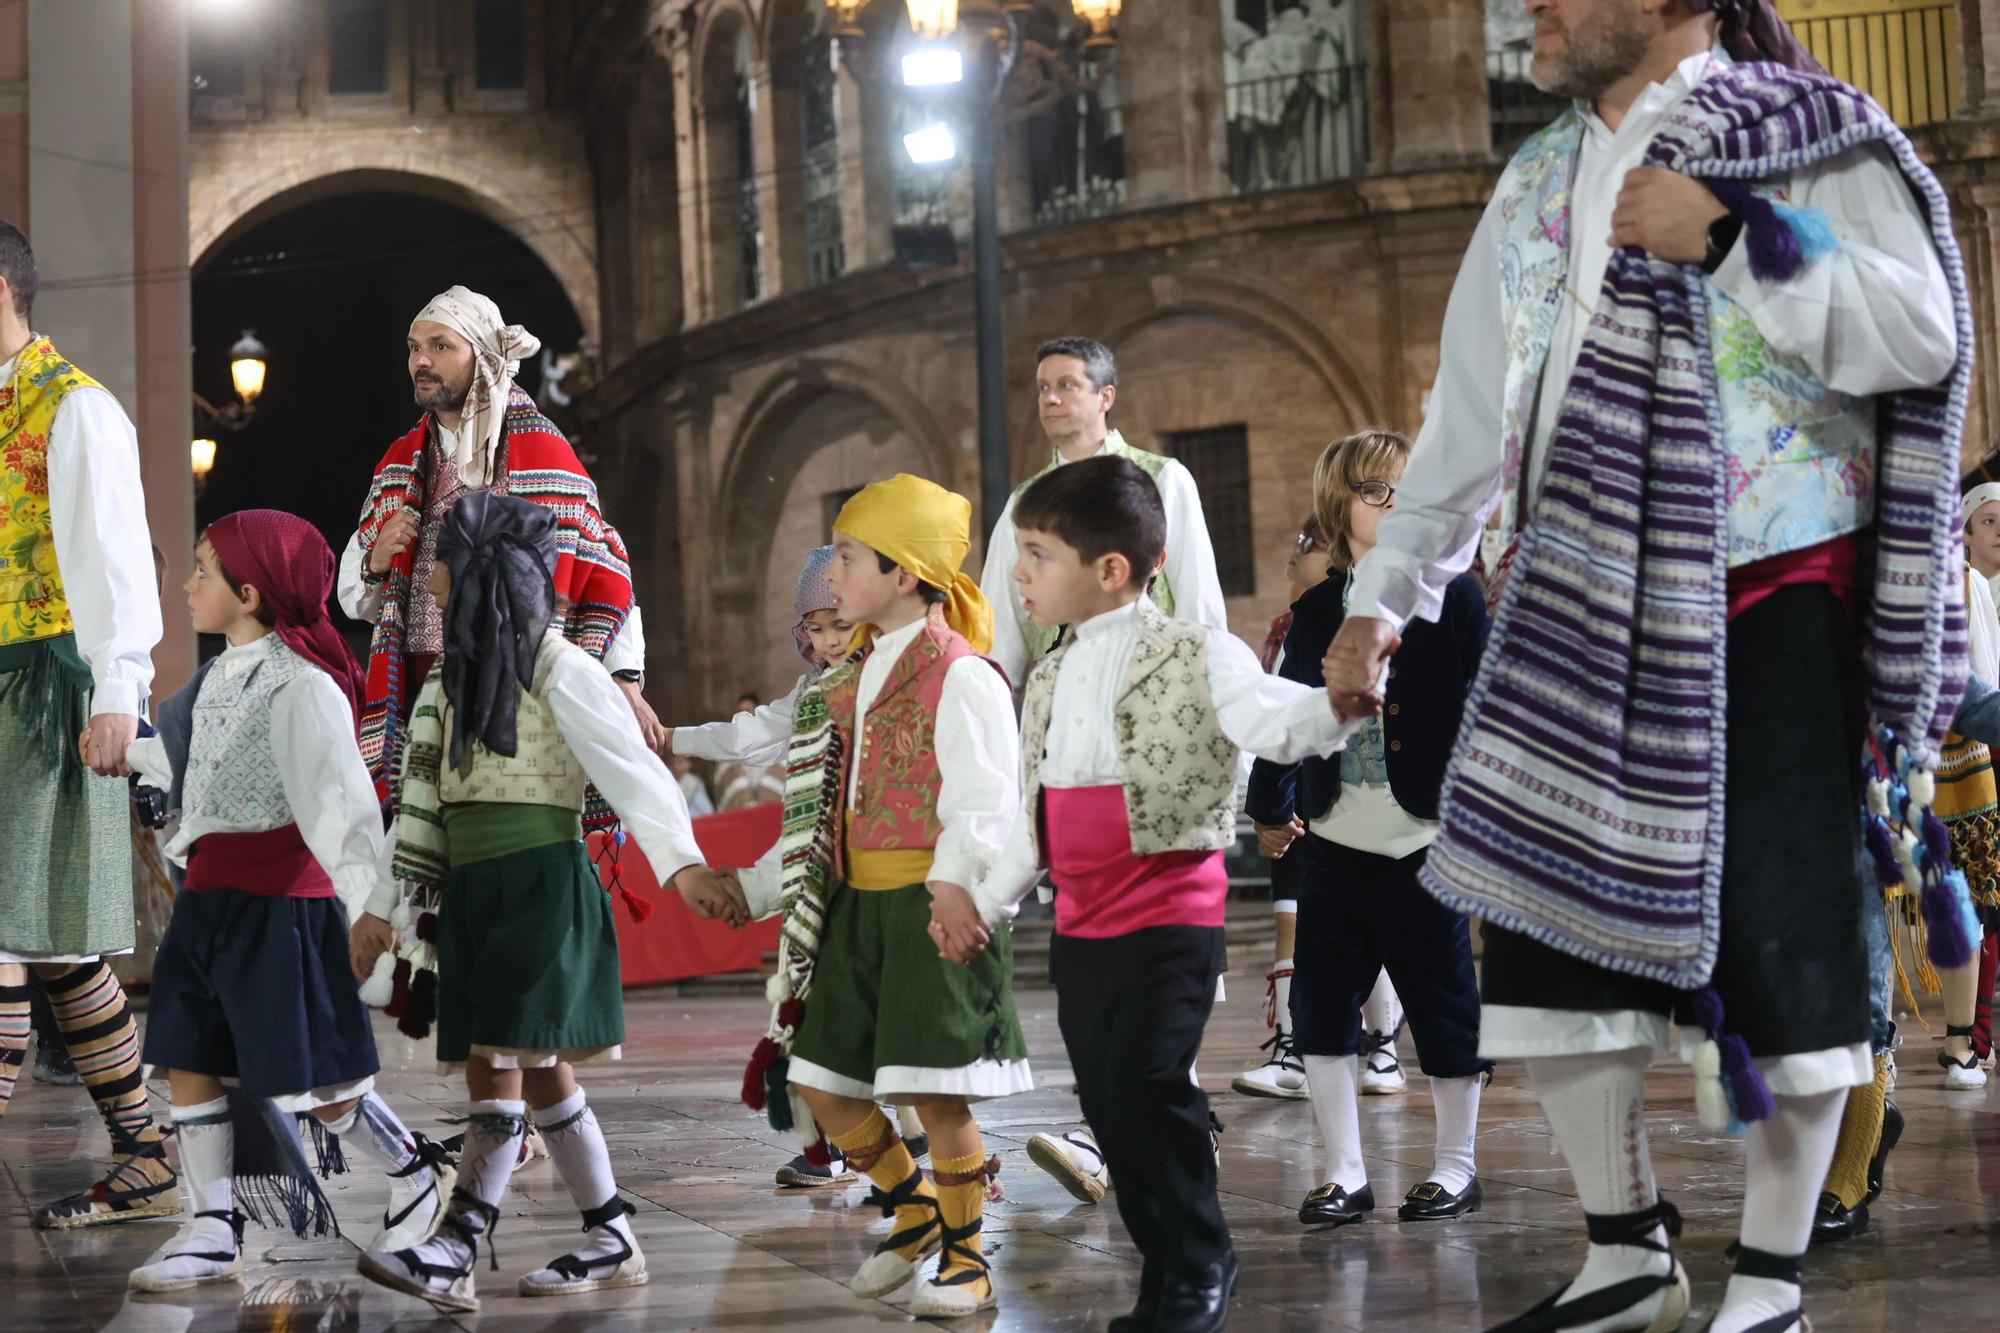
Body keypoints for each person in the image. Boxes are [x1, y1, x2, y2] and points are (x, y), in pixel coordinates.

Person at [1321, 5, 1966, 1332]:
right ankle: (1624, 1255)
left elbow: (1921, 335)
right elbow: (1471, 406)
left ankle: (1770, 1283)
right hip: (1577, 602)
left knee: (1791, 948)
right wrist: (1386, 599)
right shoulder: (1534, 175)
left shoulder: (1808, 133)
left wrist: (1731, 238)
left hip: (1771, 587)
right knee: (1551, 933)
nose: (1535, 11)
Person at [968, 455, 1354, 1333]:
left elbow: (1275, 717)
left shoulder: (1195, 650)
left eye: (1035, 554)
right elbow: (1035, 817)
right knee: (1107, 1101)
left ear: (1109, 570)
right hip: (1083, 932)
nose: (1017, 574)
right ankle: (1164, 1269)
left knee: (1148, 1081)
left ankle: (1198, 1258)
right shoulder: (1051, 677)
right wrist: (986, 901)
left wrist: (1341, 705)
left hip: (1170, 920)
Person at [352, 494, 744, 1315]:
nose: (430, 576)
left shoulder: (562, 668)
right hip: (475, 895)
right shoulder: (450, 687)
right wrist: (381, 906)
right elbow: (417, 807)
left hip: (540, 885)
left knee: (498, 1062)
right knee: (537, 1072)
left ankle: (456, 1244)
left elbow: (631, 766)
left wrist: (684, 865)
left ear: (479, 570)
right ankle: (610, 1232)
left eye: (442, 561)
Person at [111, 511, 453, 1292]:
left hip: (279, 909)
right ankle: (210, 1224)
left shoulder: (303, 689)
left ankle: (410, 1168)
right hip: (208, 902)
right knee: (188, 1055)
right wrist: (120, 745)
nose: (190, 584)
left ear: (251, 591)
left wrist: (371, 908)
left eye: (204, 570)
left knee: (321, 1084)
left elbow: (344, 805)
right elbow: (184, 755)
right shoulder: (215, 679)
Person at [735, 475, 1025, 1320]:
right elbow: (821, 797)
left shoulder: (962, 674)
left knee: (938, 1094)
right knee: (823, 1080)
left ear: (903, 575)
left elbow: (985, 799)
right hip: (856, 906)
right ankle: (913, 1211)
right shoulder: (856, 674)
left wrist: (957, 888)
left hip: (930, 906)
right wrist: (764, 887)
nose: (834, 578)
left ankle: (968, 1260)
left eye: (851, 559)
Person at [1247, 431, 1491, 1231]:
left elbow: (1487, 704)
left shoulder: (1451, 595)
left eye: (1406, 491)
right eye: (1377, 492)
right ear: (1338, 504)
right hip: (1336, 842)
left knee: (1446, 1004)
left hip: (1426, 838)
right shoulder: (1317, 610)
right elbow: (1285, 712)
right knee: (1319, 1005)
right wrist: (1269, 801)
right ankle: (1345, 1171)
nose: (1394, 505)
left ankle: (1456, 1164)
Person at [0, 221, 182, 1232]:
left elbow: (117, 559)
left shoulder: (75, 409)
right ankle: (147, 1152)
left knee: (20, 934)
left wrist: (121, 690)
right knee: (59, 943)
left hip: (42, 690)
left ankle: (149, 1152)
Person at [669, 546, 933, 1189]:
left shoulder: (900, 680)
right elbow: (751, 740)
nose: (827, 641)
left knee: (893, 1030)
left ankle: (934, 1165)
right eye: (814, 629)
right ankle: (849, 1152)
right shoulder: (814, 690)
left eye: (840, 626)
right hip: (830, 882)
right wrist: (665, 738)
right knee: (822, 1020)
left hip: (887, 874)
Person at [337, 286, 660, 812]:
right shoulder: (399, 462)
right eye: (414, 347)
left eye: (440, 346)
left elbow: (602, 562)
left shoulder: (544, 453)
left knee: (506, 836)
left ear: (483, 355)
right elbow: (357, 594)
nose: (420, 360)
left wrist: (623, 678)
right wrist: (375, 563)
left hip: (518, 695)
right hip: (420, 695)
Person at [978, 337, 1228, 688]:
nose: (1050, 398)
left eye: (1067, 386)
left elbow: (1198, 598)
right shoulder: (1024, 501)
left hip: (1152, 688)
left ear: (1105, 397)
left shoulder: (1162, 478)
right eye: (1043, 388)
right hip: (1063, 693)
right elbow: (1000, 625)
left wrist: (1203, 688)